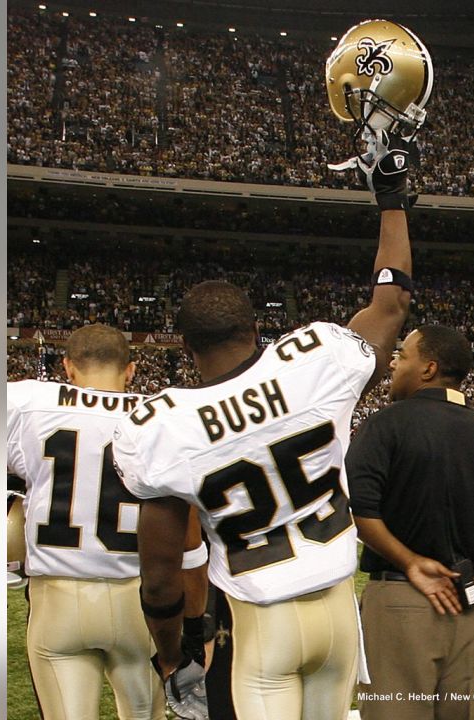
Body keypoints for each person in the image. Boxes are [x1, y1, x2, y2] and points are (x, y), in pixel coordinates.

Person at [112, 136, 419, 719]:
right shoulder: (318, 360)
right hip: (336, 616)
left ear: (186, 346)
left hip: (260, 625)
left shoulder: (163, 426)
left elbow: (159, 581)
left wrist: (175, 659)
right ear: (258, 330)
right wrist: (392, 195)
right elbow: (391, 303)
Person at [7, 324, 209, 720]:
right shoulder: (163, 417)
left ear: (67, 367)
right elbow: (187, 542)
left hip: (57, 601)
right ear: (131, 370)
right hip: (138, 601)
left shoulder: (27, 402)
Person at [346, 325, 474, 720]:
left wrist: (410, 561)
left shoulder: (385, 424)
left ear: (428, 368)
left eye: (404, 356)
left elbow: (360, 511)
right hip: (470, 606)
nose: (394, 364)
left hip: (402, 601)